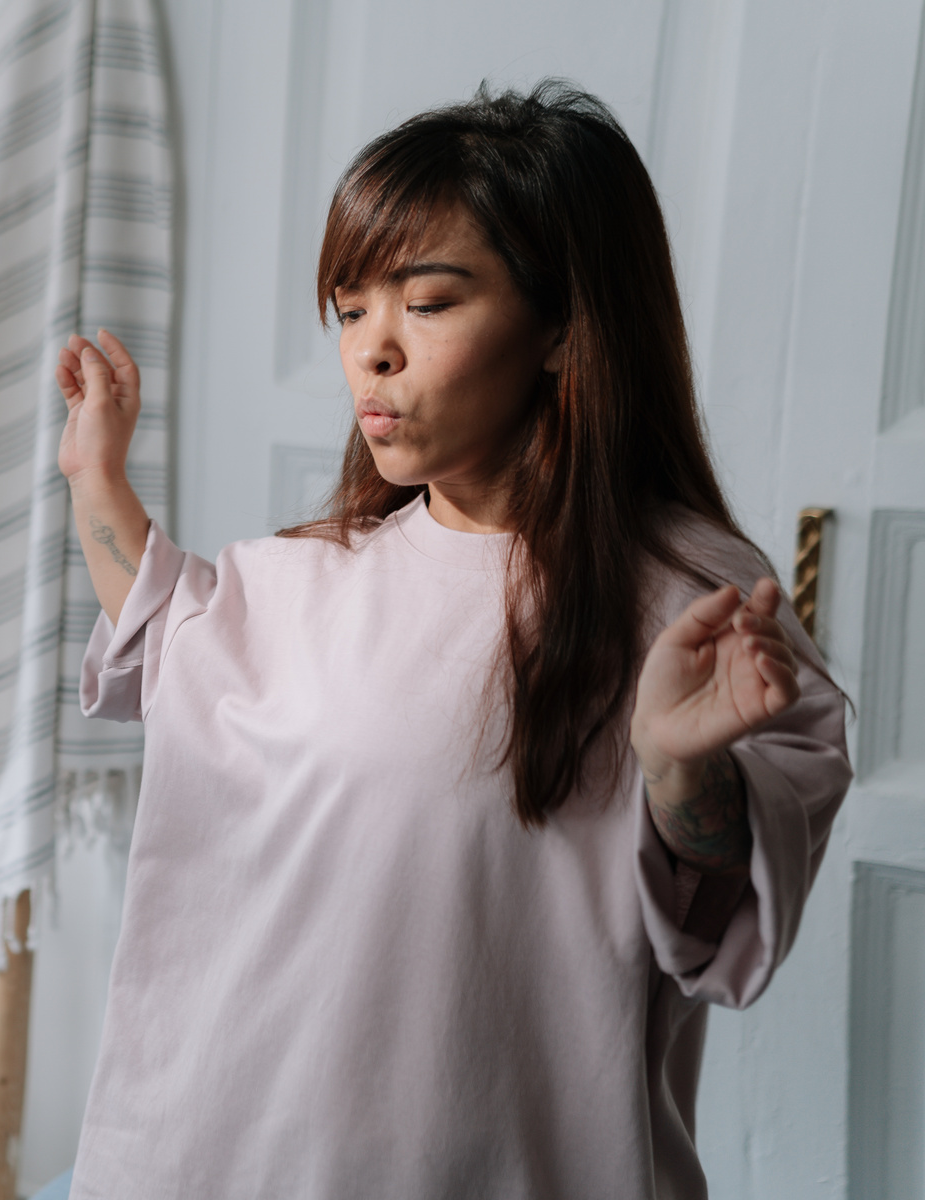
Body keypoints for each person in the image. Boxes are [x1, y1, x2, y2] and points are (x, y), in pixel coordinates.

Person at [52, 82, 852, 1199]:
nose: (370, 351)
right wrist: (94, 474)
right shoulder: (307, 580)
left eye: (425, 303)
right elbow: (165, 626)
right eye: (348, 308)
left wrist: (680, 764)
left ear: (565, 325)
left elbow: (724, 921)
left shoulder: (701, 609)